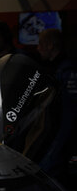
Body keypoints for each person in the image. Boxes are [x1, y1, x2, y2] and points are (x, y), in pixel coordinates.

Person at [34, 28, 77, 179]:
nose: (38, 48)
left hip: (63, 138)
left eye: (40, 44)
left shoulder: (67, 70)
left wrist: (57, 145)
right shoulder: (54, 68)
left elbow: (69, 115)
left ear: (50, 45)